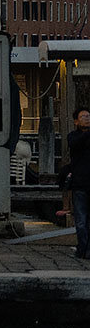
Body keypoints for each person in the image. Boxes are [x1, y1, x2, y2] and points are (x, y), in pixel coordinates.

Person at [69, 107, 90, 259]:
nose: (87, 119)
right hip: (80, 183)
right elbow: (75, 145)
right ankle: (82, 248)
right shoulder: (73, 136)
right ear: (76, 121)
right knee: (81, 220)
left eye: (88, 116)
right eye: (83, 116)